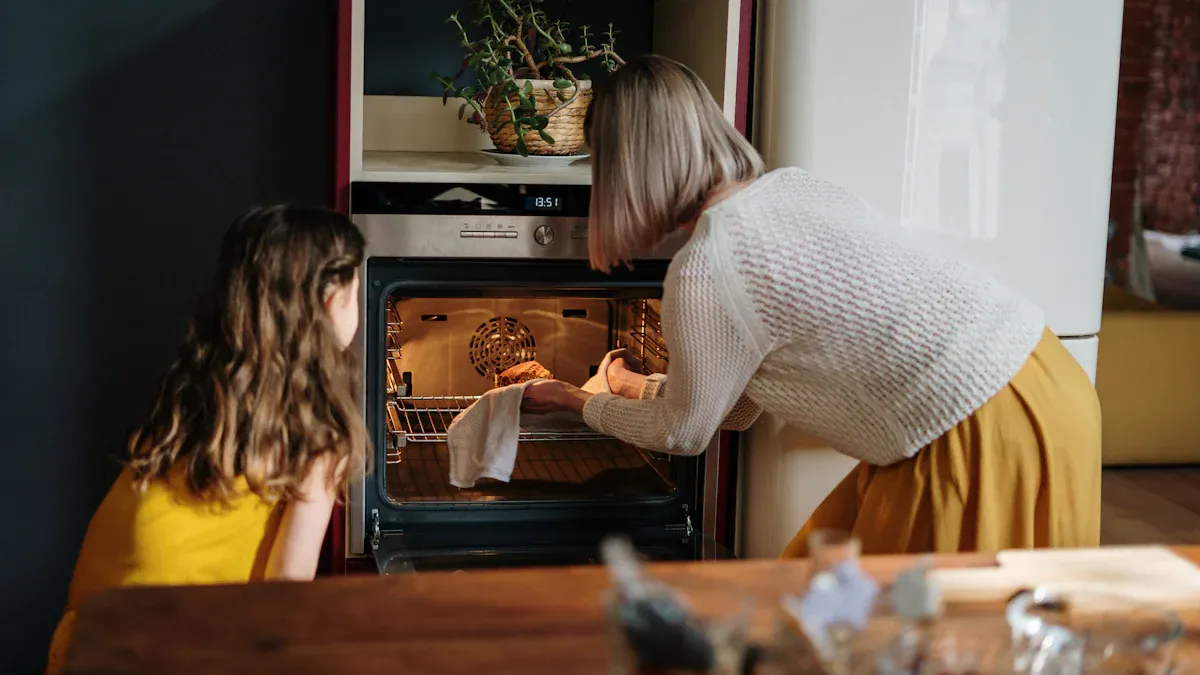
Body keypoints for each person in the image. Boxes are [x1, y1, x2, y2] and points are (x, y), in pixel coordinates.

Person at [522, 55, 1101, 557]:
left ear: (628, 166)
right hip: (1045, 383)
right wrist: (627, 387)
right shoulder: (796, 188)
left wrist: (574, 401)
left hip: (973, 433)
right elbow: (737, 406)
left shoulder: (706, 267)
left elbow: (684, 434)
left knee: (922, 639)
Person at [46, 206, 367, 674]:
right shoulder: (318, 431)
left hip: (99, 631)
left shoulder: (199, 383)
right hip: (188, 643)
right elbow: (288, 587)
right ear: (333, 300)